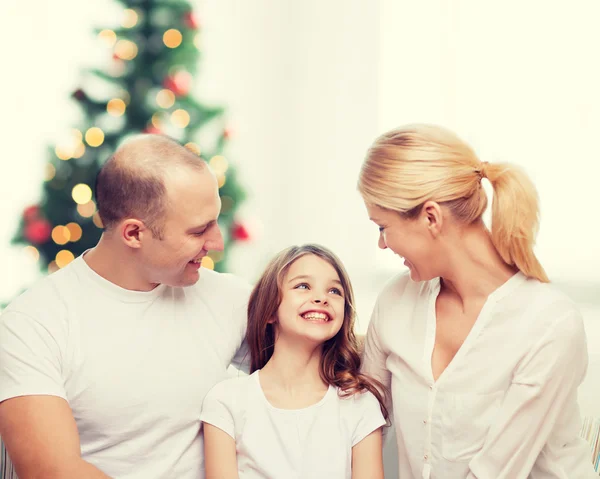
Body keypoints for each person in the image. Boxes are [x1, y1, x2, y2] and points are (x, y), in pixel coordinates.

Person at [0, 135, 251, 479]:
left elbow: (325, 368)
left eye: (216, 221)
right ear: (133, 233)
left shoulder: (230, 299)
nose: (217, 242)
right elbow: (53, 471)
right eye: (199, 230)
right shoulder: (32, 323)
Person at [358, 124, 596, 478]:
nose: (382, 244)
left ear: (430, 217)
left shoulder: (549, 324)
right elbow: (361, 420)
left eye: (382, 227)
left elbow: (495, 472)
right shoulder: (396, 300)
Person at [200, 244, 388, 479]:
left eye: (334, 291)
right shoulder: (226, 402)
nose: (321, 298)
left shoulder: (360, 404)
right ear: (269, 311)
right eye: (303, 286)